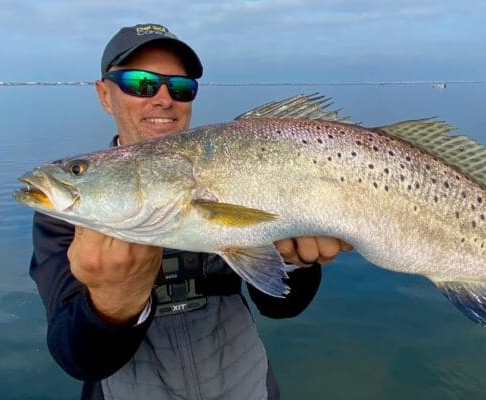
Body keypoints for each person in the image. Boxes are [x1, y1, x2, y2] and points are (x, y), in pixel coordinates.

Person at [28, 23, 351, 400]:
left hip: (246, 386)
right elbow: (79, 360)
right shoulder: (71, 211)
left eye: (180, 88)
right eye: (140, 83)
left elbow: (280, 305)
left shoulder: (239, 167)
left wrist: (298, 263)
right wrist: (111, 305)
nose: (164, 99)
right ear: (104, 94)